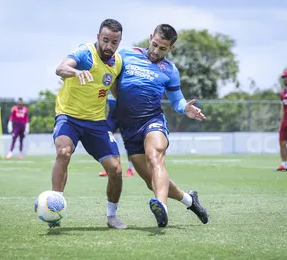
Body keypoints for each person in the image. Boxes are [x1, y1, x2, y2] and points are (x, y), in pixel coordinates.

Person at [112, 24, 209, 227]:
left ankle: (162, 208)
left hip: (152, 121)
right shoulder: (126, 55)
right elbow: (108, 77)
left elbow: (177, 100)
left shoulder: (170, 70)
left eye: (163, 48)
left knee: (154, 157)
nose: (156, 51)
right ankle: (190, 200)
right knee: (152, 182)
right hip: (128, 128)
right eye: (154, 45)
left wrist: (186, 109)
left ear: (170, 49)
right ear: (150, 38)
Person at [52, 19, 127, 229]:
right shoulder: (85, 53)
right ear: (98, 37)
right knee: (63, 152)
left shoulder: (118, 62)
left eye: (114, 42)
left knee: (116, 170)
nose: (109, 46)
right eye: (105, 40)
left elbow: (113, 88)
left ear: (119, 42)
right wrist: (75, 72)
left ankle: (112, 216)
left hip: (96, 122)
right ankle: (54, 210)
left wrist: (126, 103)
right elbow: (61, 68)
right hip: (69, 116)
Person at [99, 91, 135, 177]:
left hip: (125, 118)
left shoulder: (123, 83)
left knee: (128, 143)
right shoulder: (108, 81)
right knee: (105, 139)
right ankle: (110, 167)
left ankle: (130, 169)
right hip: (112, 117)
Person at [277, 70, 287, 171]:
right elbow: (282, 109)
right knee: (282, 143)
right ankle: (284, 165)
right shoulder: (283, 93)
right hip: (286, 122)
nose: (285, 79)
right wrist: (281, 123)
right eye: (284, 77)